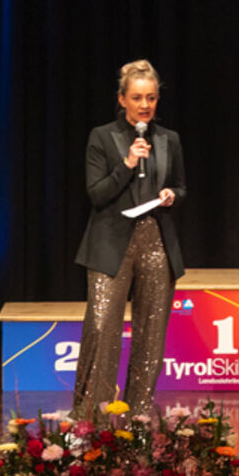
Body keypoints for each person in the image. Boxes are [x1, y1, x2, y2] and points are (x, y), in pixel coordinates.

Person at [70, 59, 188, 419]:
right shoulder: (102, 137)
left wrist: (172, 194)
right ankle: (92, 420)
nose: (145, 105)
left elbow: (181, 186)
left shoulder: (169, 139)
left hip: (156, 241)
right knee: (102, 329)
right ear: (122, 99)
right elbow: (97, 194)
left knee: (151, 334)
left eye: (151, 98)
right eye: (137, 98)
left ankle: (138, 416)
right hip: (111, 244)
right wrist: (127, 164)